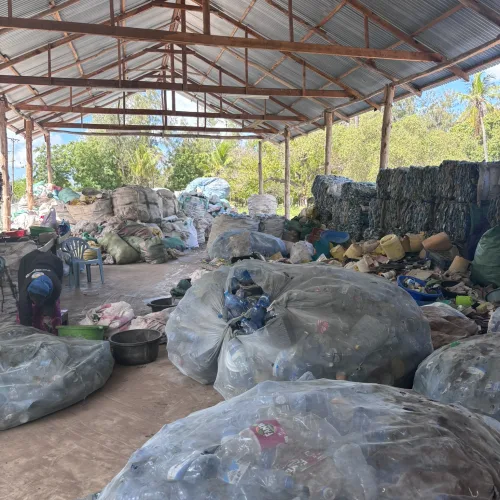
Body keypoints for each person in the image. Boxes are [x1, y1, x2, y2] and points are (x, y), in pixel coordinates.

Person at [17, 249, 63, 333]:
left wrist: (47, 317)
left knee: (51, 307)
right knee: (24, 305)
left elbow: (51, 302)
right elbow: (24, 308)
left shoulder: (56, 286)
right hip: (28, 261)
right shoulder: (26, 286)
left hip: (53, 262)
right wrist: (27, 331)